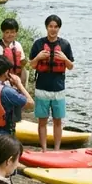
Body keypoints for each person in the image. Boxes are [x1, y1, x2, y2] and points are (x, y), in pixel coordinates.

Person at [29, 15, 74, 151]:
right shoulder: (38, 44)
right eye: (50, 26)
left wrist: (65, 58)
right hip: (42, 87)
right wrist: (38, 57)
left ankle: (56, 149)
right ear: (46, 27)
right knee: (42, 121)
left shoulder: (65, 45)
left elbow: (71, 66)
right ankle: (44, 149)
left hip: (58, 88)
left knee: (57, 121)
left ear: (59, 28)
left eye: (56, 27)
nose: (53, 29)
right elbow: (32, 65)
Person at [0, 19, 28, 122]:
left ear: (16, 32)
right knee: (0, 115)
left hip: (14, 87)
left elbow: (22, 67)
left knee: (15, 117)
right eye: (7, 32)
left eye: (12, 32)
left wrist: (22, 85)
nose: (10, 35)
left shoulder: (18, 46)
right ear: (2, 32)